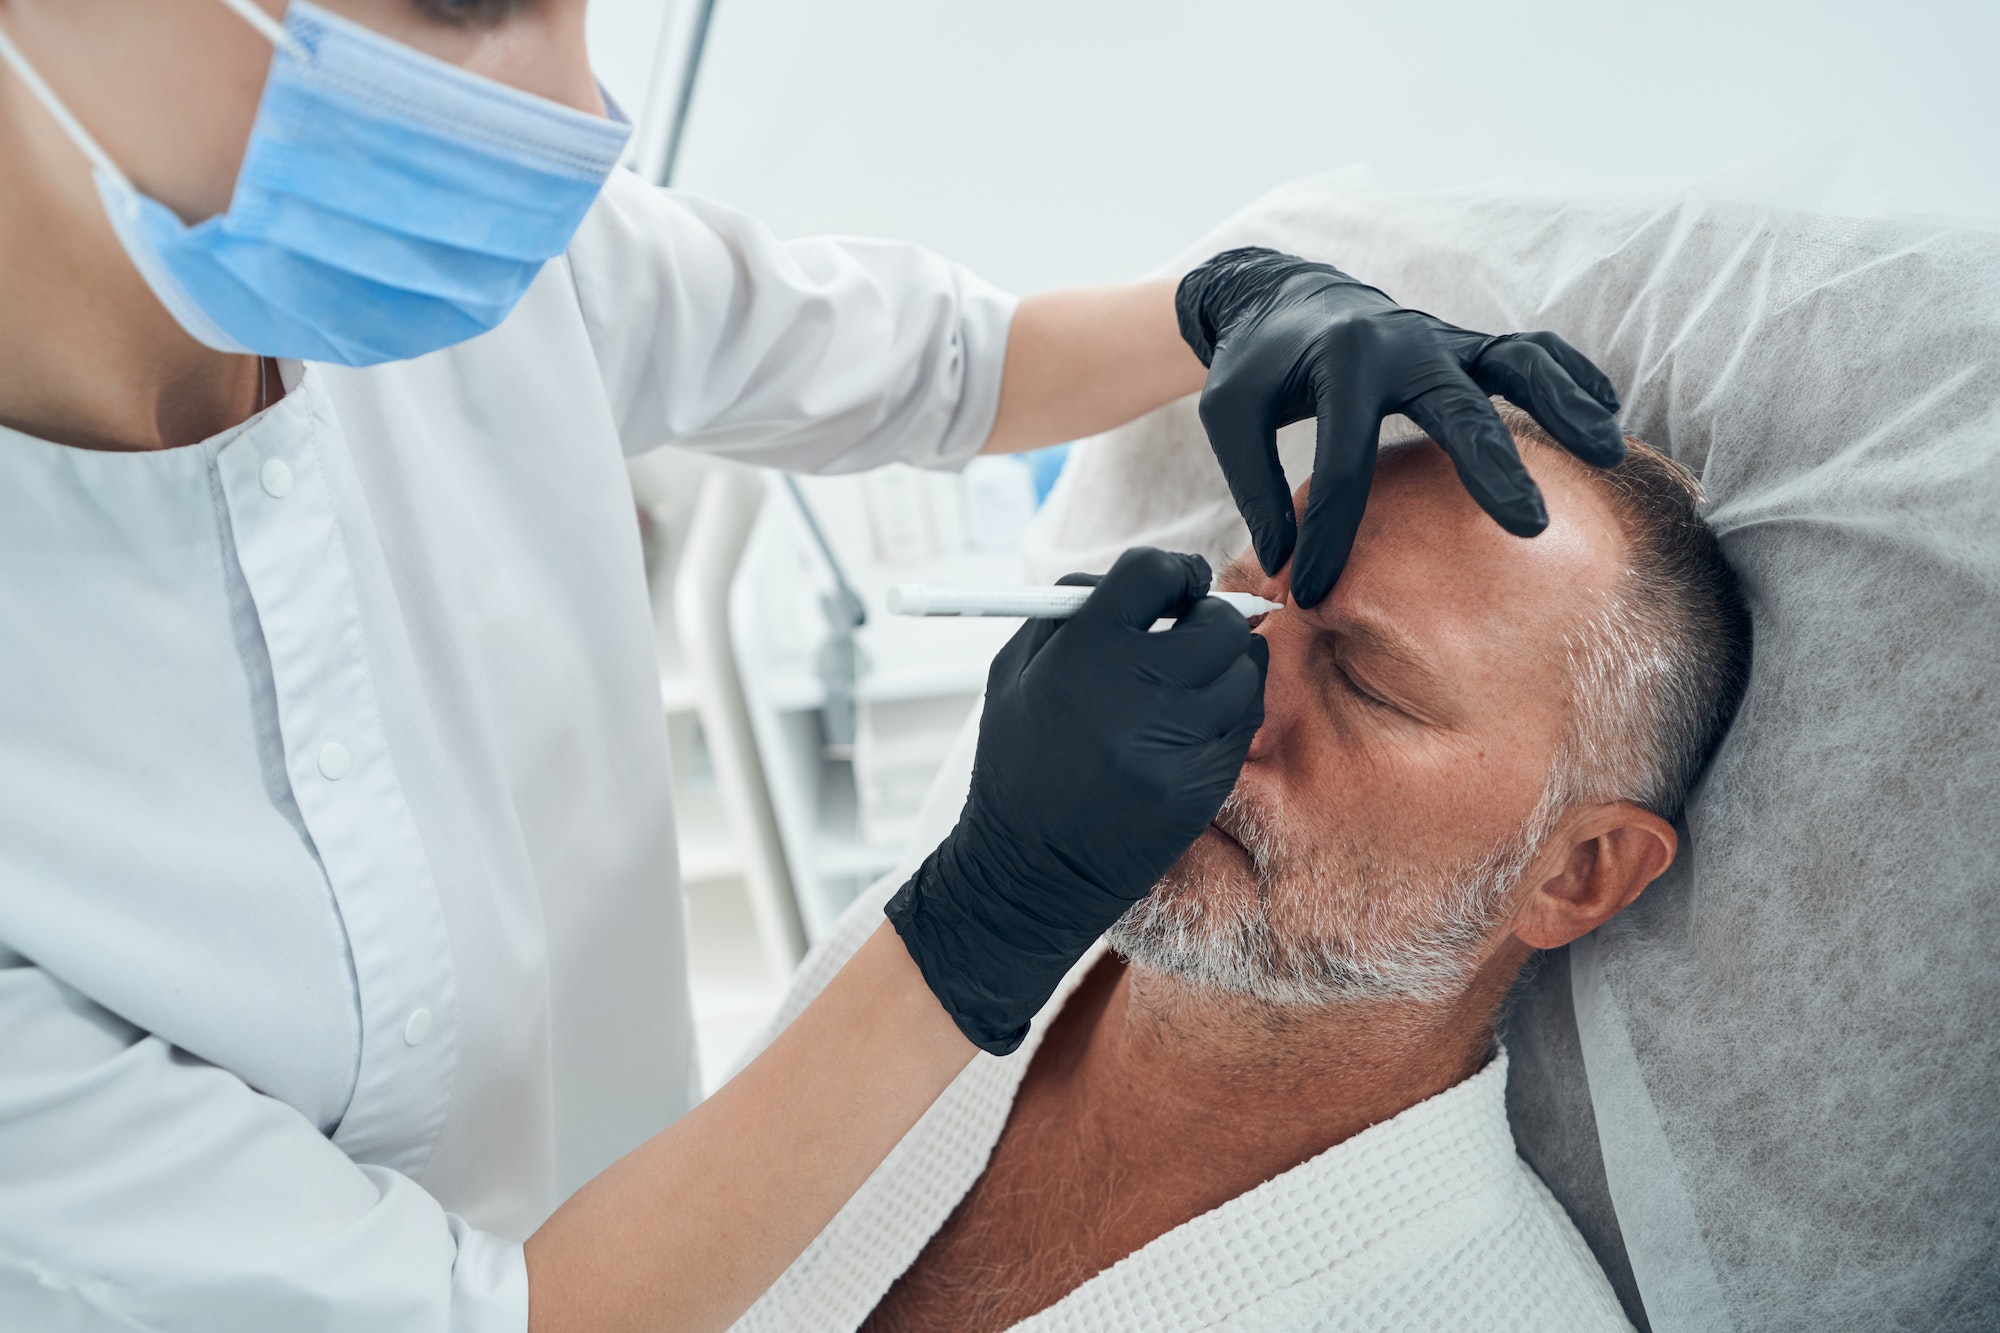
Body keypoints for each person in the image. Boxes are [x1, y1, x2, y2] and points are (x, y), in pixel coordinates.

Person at [0, 2, 1629, 1329]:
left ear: (1594, 863)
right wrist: (972, 929)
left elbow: (943, 363)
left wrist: (1233, 303)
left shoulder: (497, 259)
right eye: (468, 0)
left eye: (1373, 676)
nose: (580, 114)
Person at [729, 405, 1753, 1332]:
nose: (1215, 707)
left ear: (1574, 873)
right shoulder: (942, 926)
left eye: (1363, 680)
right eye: (1235, 608)